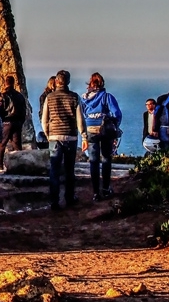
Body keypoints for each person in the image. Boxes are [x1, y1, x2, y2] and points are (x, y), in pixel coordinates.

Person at [40, 70, 85, 210]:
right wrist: (84, 135)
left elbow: (44, 119)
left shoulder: (50, 97)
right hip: (70, 137)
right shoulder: (74, 97)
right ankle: (69, 197)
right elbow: (80, 119)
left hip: (54, 137)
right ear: (68, 82)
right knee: (69, 169)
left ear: (56, 82)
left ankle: (54, 201)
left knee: (54, 170)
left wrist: (48, 134)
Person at [80, 73, 123, 201]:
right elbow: (117, 114)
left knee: (93, 162)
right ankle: (105, 188)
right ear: (102, 83)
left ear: (90, 84)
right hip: (104, 131)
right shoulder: (106, 97)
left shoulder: (82, 98)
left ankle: (95, 193)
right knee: (106, 159)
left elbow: (81, 115)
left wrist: (83, 134)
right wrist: (115, 126)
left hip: (89, 131)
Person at [0, 75, 27, 167]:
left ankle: (0, 165)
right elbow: (24, 110)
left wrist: (2, 121)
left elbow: (1, 110)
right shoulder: (20, 96)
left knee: (2, 144)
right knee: (17, 146)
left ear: (5, 83)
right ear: (13, 83)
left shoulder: (4, 96)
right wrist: (21, 122)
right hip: (17, 122)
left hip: (7, 122)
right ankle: (19, 165)